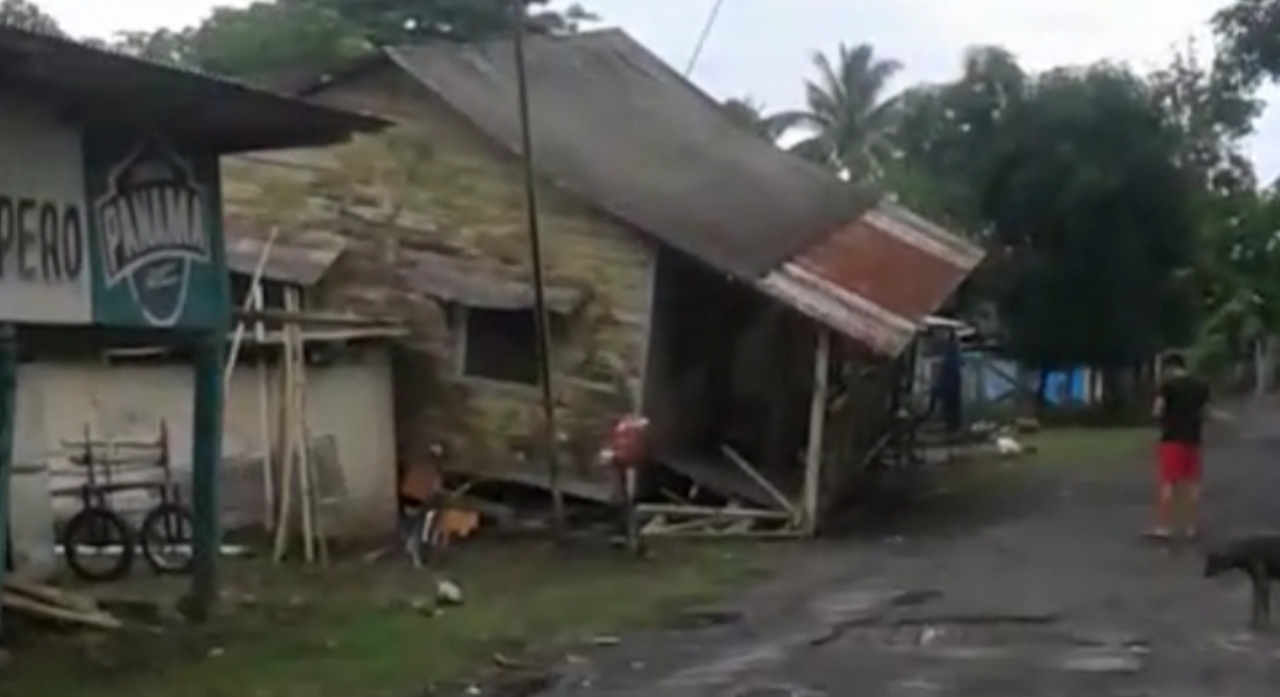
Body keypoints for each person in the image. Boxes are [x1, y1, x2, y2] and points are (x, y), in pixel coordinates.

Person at [1148, 352, 1210, 540]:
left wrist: (1162, 418)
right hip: (1193, 439)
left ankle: (1164, 527)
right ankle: (1191, 528)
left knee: (1168, 483)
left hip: (1172, 439)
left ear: (1169, 367)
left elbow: (1157, 410)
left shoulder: (1167, 386)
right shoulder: (1200, 386)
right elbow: (1205, 412)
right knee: (1192, 485)